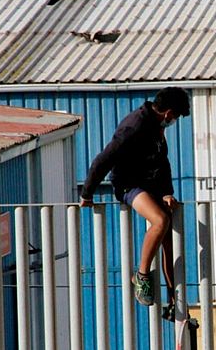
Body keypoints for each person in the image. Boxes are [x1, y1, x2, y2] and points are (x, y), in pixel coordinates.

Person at [80, 87, 190, 315]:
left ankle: (173, 298)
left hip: (151, 185)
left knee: (168, 231)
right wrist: (87, 193)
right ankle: (141, 275)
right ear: (169, 113)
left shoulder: (157, 125)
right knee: (159, 221)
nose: (175, 121)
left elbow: (163, 162)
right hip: (128, 185)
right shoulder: (135, 126)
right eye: (176, 117)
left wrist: (167, 192)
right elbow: (104, 159)